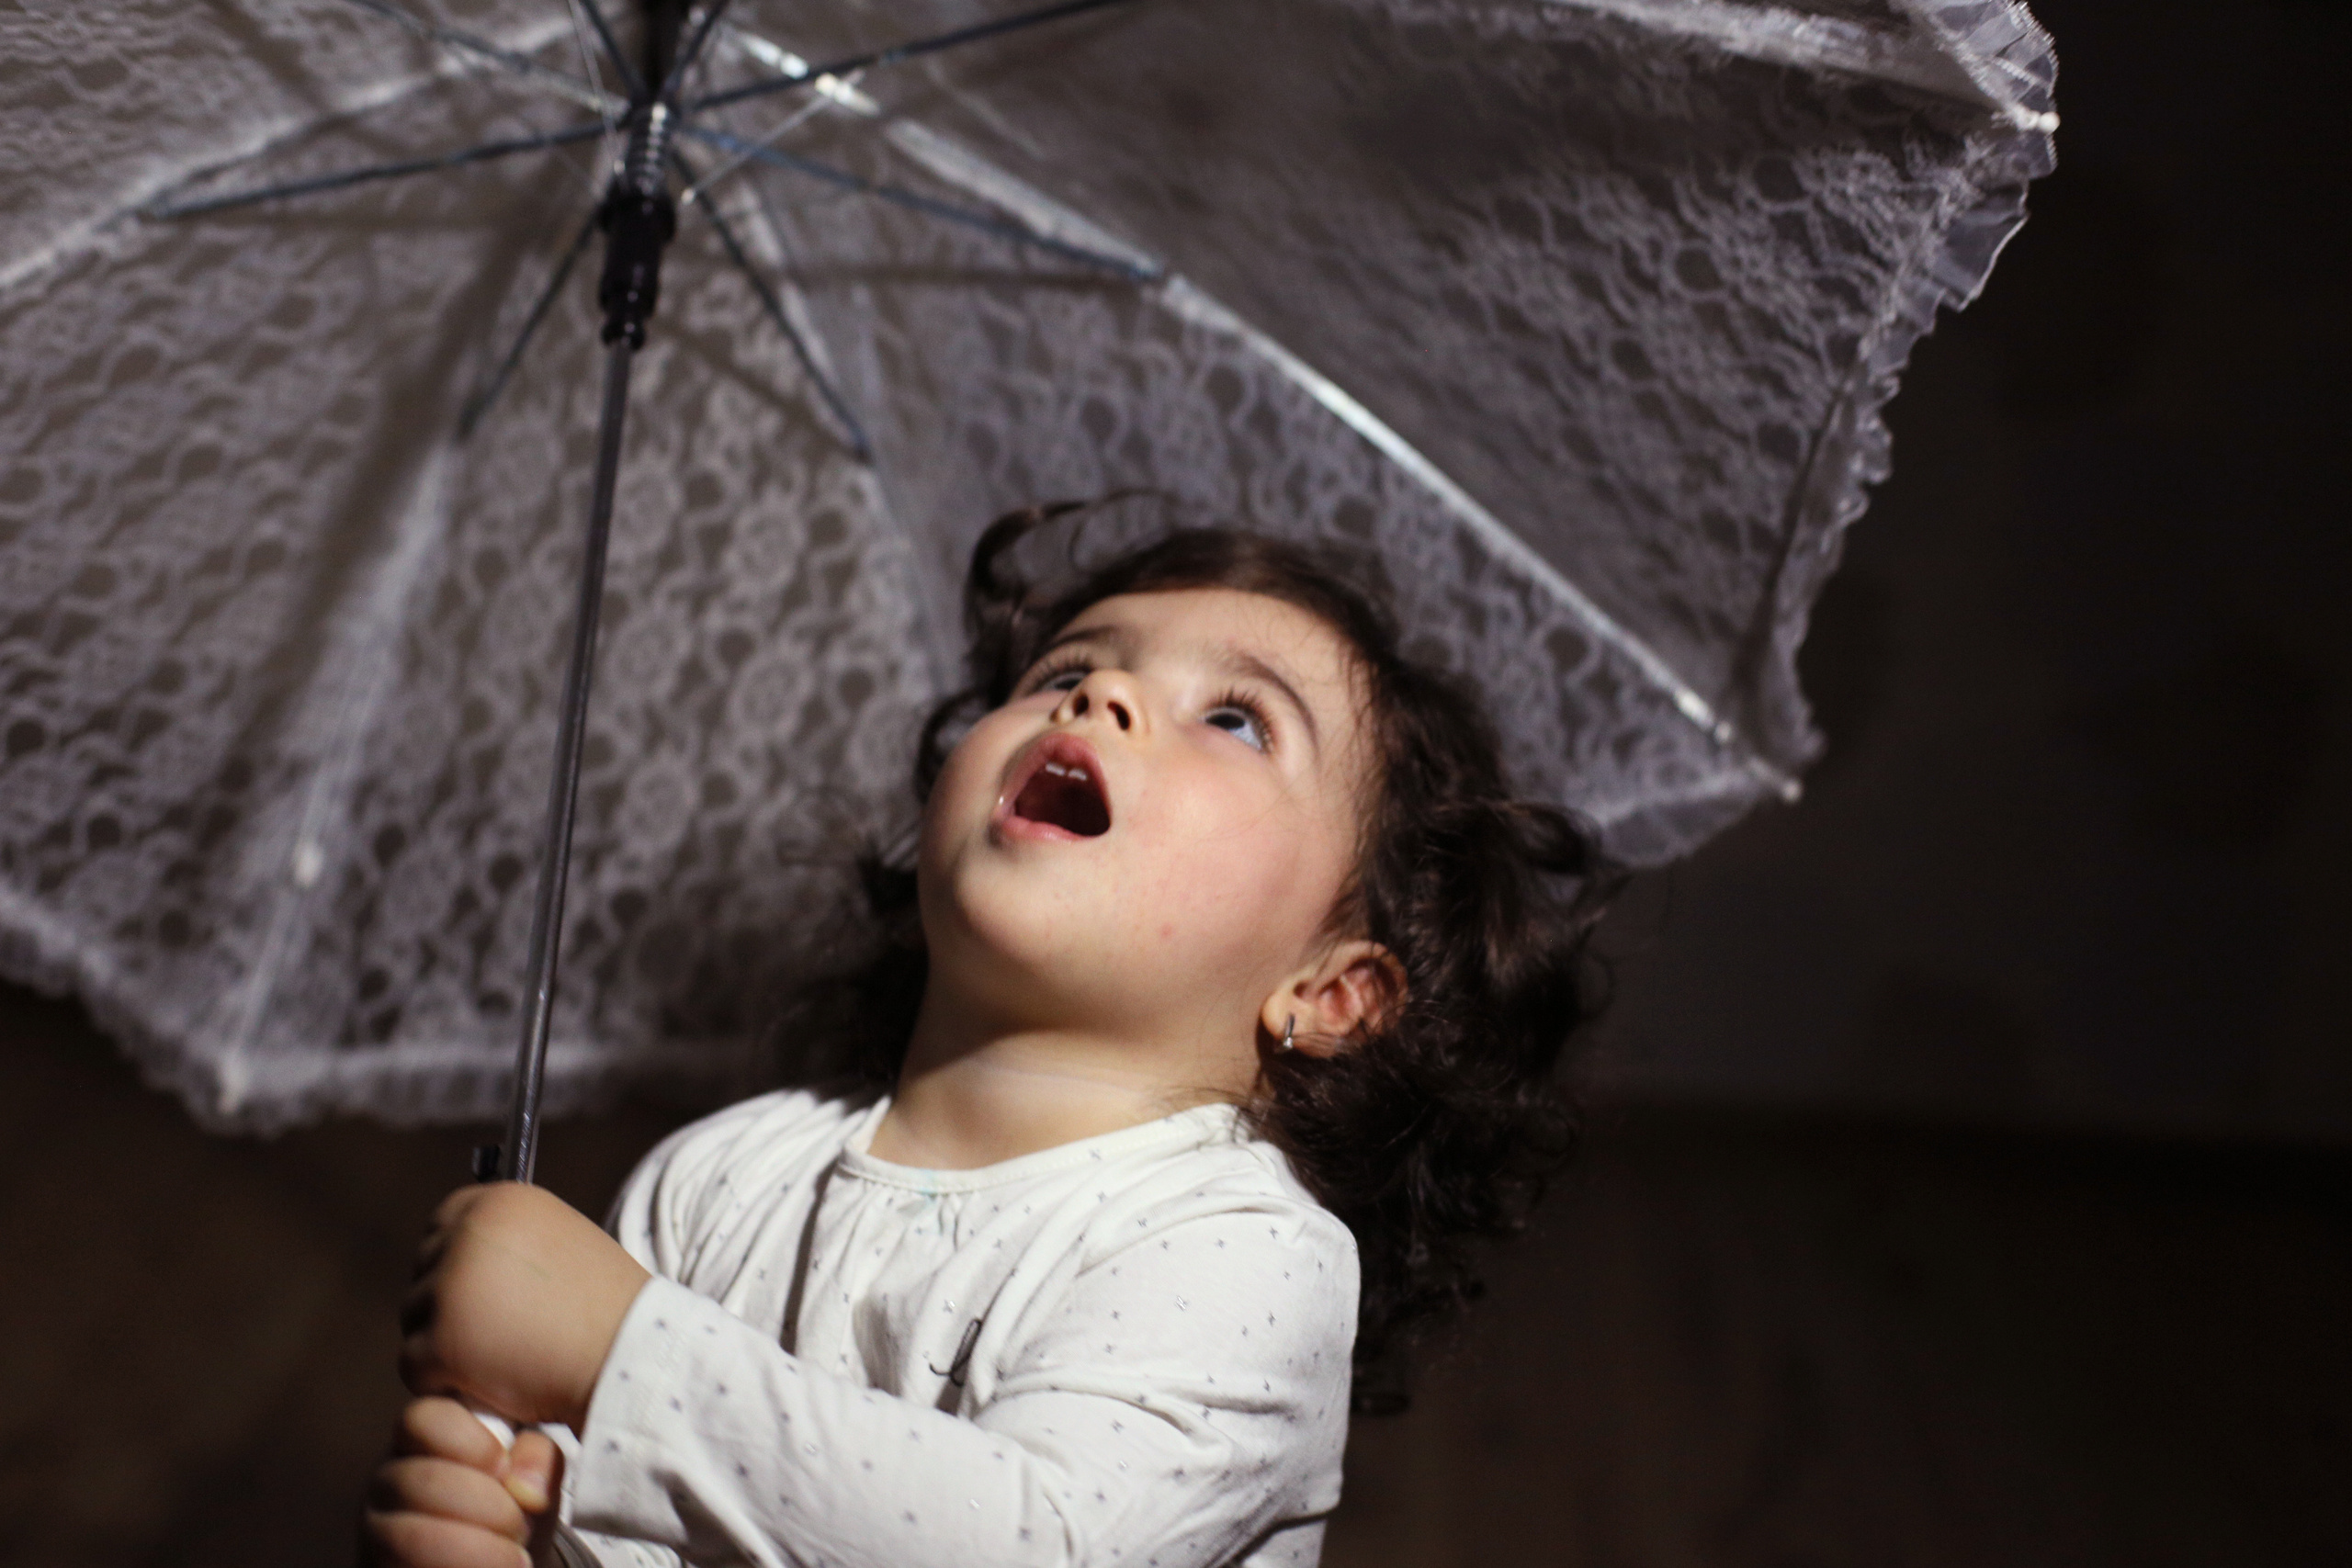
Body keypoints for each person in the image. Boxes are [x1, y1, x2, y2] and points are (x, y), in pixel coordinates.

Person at [366, 508, 1618, 1568]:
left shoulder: (1247, 1255)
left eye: (1235, 719)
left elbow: (1041, 1544)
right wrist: (509, 1532)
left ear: (1331, 993)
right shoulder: (715, 1179)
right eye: (1063, 670)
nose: (1102, 693)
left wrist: (622, 1351)